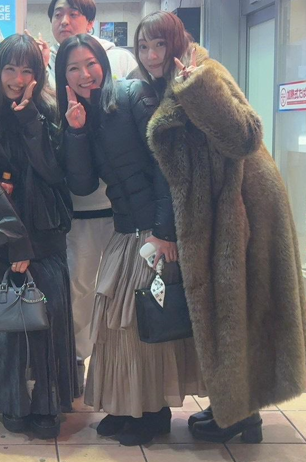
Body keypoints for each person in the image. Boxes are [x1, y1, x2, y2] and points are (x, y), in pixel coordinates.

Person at [137, 10, 306, 443]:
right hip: (218, 207)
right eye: (143, 46)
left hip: (242, 205)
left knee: (238, 309)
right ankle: (232, 406)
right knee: (229, 308)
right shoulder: (170, 81)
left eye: (159, 44)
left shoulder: (204, 73)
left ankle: (240, 415)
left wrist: (197, 88)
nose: (151, 55)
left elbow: (246, 135)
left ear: (177, 42)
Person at [59, 33, 206, 446]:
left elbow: (166, 165)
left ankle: (153, 412)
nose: (85, 74)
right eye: (73, 68)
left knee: (141, 324)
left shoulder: (132, 96)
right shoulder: (81, 114)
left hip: (152, 231)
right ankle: (127, 407)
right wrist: (75, 132)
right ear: (63, 77)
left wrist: (164, 232)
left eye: (91, 63)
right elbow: (83, 183)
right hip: (125, 229)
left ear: (104, 63)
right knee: (113, 323)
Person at [0, 34, 75, 439]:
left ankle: (48, 405)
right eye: (10, 69)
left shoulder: (48, 111)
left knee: (49, 321)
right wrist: (15, 243)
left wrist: (31, 118)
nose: (17, 79)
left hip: (47, 233)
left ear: (38, 74)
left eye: (26, 70)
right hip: (2, 236)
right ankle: (12, 402)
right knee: (8, 326)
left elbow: (54, 171)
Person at [45, 0, 139, 383]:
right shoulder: (51, 84)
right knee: (80, 291)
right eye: (57, 14)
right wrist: (76, 130)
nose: (64, 21)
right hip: (79, 214)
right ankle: (79, 363)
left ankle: (119, 374)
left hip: (124, 215)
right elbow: (78, 179)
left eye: (72, 13)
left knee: (120, 292)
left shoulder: (124, 80)